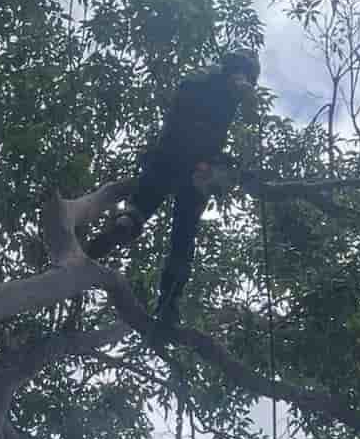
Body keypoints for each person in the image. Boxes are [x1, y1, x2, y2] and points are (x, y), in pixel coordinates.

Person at [86, 49, 261, 329]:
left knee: (142, 203)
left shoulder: (201, 78)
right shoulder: (233, 88)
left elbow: (178, 114)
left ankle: (125, 223)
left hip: (166, 154)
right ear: (241, 73)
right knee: (183, 236)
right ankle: (168, 304)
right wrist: (209, 161)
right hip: (195, 168)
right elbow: (233, 114)